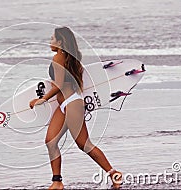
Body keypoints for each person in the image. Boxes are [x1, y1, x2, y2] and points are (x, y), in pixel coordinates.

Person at [29, 26, 122, 189]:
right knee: (50, 142)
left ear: (60, 42)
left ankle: (114, 173)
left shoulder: (58, 57)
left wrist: (42, 99)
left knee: (84, 144)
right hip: (66, 104)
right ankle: (57, 182)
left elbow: (58, 84)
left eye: (52, 39)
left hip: (72, 104)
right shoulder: (71, 58)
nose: (50, 42)